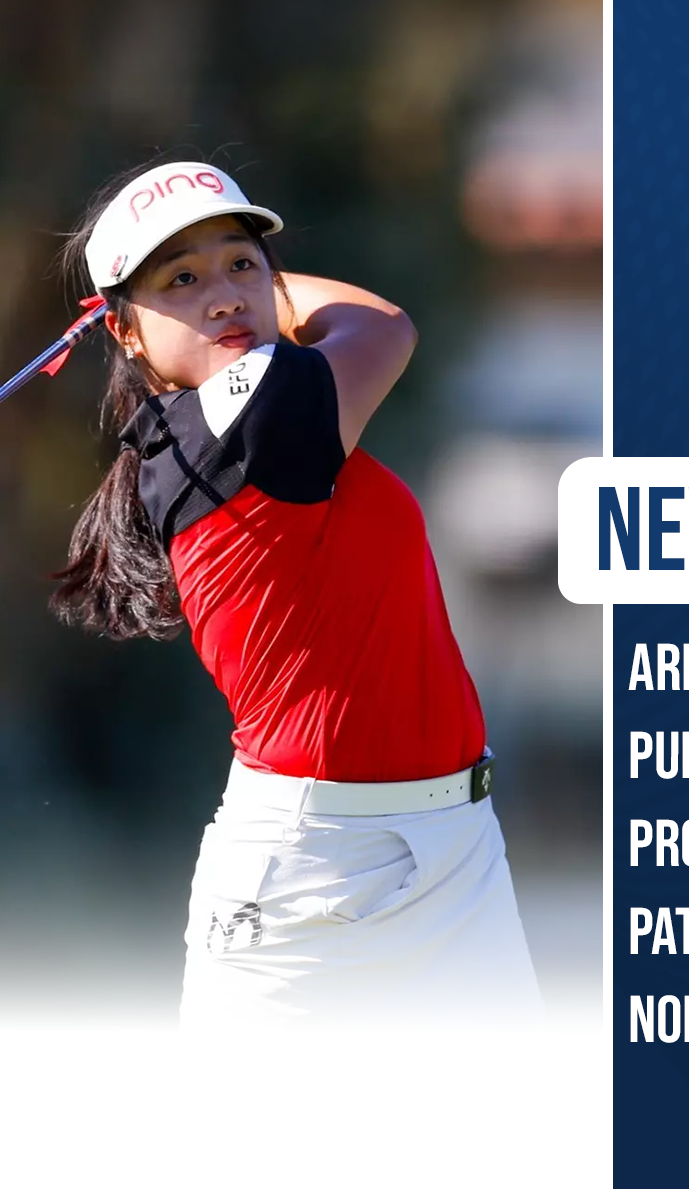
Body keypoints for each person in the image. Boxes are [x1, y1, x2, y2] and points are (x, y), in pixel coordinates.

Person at [51, 159, 542, 1028]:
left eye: (242, 264)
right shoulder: (240, 415)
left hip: (456, 846)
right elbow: (379, 324)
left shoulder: (230, 418)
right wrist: (254, 289)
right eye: (183, 280)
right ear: (124, 334)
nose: (225, 296)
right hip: (317, 876)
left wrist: (190, 290)